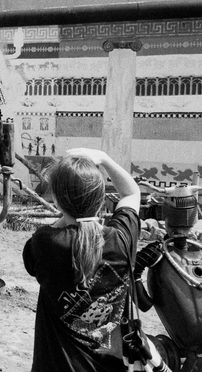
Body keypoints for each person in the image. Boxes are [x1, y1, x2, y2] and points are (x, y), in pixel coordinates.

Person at [22, 148, 167, 372]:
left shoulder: (46, 242)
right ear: (100, 199)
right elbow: (131, 194)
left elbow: (33, 260)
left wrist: (65, 212)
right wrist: (104, 159)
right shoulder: (121, 239)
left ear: (57, 200)